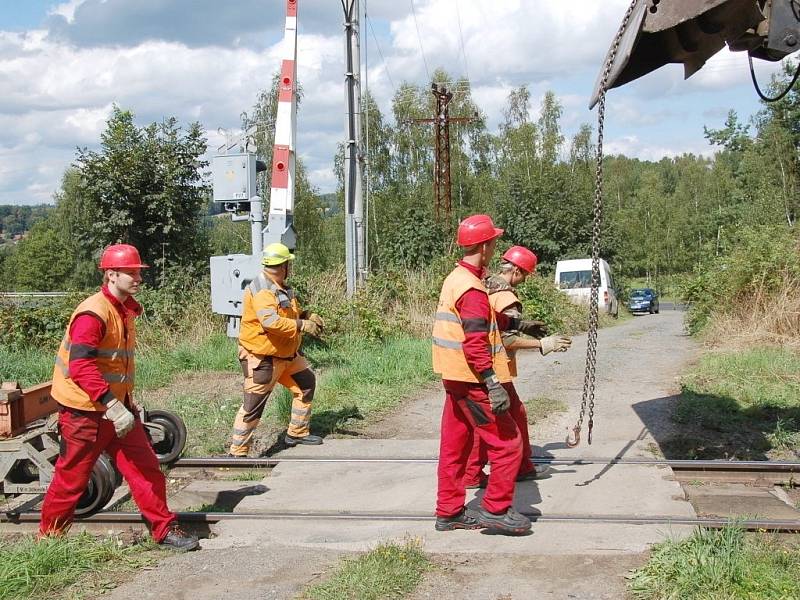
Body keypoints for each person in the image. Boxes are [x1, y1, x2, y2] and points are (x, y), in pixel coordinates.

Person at [39, 244, 199, 551]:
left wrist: (127, 401)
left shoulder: (123, 310)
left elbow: (114, 364)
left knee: (146, 468)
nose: (138, 277)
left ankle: (164, 530)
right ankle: (48, 541)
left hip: (116, 410)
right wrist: (112, 404)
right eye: (132, 272)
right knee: (72, 479)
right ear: (111, 274)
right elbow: (81, 365)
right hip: (84, 412)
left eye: (139, 272)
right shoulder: (93, 313)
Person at [432, 215, 548, 536]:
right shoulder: (472, 289)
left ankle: (449, 510)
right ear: (484, 245)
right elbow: (474, 342)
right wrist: (492, 382)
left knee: (454, 447)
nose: (495, 248)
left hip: (454, 377)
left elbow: (484, 319)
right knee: (509, 443)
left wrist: (519, 325)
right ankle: (495, 509)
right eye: (493, 242)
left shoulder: (456, 278)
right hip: (473, 379)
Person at [463, 246, 572, 489]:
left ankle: (477, 472)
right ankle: (516, 468)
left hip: (476, 363)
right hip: (495, 367)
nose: (524, 280)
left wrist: (523, 325)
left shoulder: (484, 284)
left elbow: (493, 323)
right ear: (518, 271)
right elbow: (507, 339)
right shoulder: (509, 298)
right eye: (525, 275)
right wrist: (543, 344)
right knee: (509, 417)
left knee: (487, 419)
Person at [228, 242, 324, 456]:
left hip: (286, 355)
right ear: (282, 266)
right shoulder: (263, 290)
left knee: (306, 384)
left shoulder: (280, 286)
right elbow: (270, 321)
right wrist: (301, 326)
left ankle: (297, 432)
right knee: (253, 405)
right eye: (288, 264)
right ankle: (237, 452)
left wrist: (305, 316)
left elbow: (285, 314)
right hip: (263, 358)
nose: (289, 268)